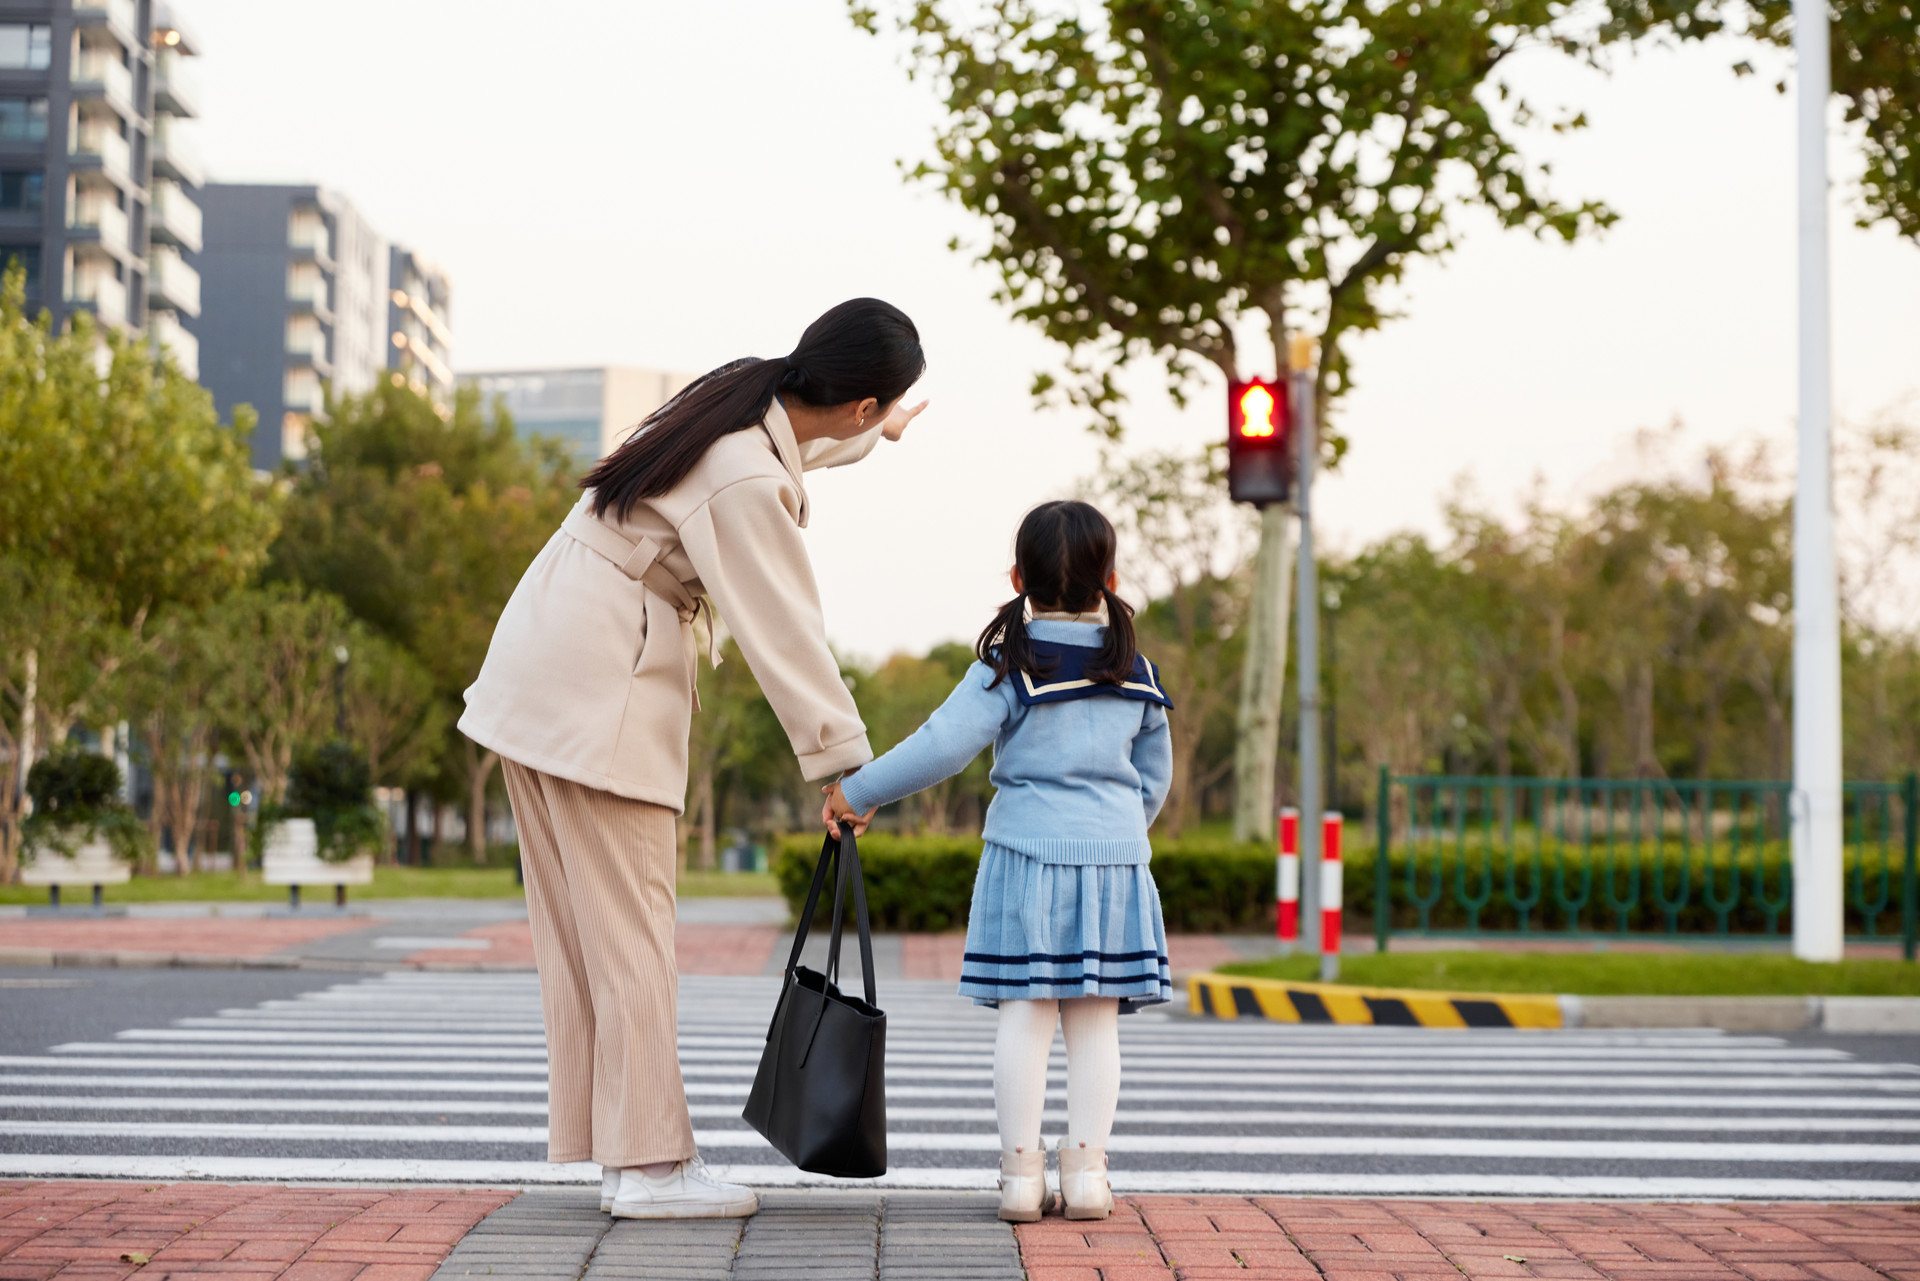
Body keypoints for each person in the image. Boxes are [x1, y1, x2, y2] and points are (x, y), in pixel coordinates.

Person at [460, 299, 928, 1219]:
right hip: (601, 676)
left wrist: (878, 434)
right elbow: (784, 629)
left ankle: (624, 1156)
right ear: (863, 402)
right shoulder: (746, 480)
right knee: (634, 929)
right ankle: (648, 1167)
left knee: (592, 936)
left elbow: (807, 450)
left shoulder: (735, 406)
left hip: (544, 662)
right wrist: (846, 764)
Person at [823, 500, 1173, 1223]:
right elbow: (1154, 774)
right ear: (1111, 576)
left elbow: (942, 745)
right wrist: (1114, 834)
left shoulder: (1010, 666)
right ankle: (1086, 1179)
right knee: (1095, 1022)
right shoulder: (1133, 670)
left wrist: (858, 791)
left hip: (1026, 857)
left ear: (1018, 577)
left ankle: (1019, 1179)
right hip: (1115, 864)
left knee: (1025, 1014)